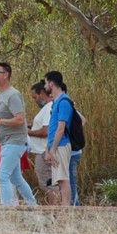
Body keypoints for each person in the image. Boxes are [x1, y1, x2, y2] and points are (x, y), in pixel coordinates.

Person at [0, 63, 37, 206]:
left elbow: (19, 119)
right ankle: (33, 206)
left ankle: (7, 210)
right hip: (6, 142)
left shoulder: (13, 95)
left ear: (6, 75)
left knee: (2, 175)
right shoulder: (1, 95)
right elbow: (6, 116)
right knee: (16, 179)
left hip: (15, 141)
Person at [44, 71, 73, 206]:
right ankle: (64, 209)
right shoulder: (56, 102)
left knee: (63, 179)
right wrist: (48, 149)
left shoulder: (64, 101)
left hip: (61, 145)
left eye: (45, 83)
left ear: (51, 83)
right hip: (56, 146)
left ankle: (66, 210)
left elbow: (61, 128)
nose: (44, 86)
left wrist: (53, 150)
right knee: (60, 180)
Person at [28, 80, 57, 204]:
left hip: (44, 151)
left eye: (35, 97)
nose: (35, 100)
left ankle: (56, 212)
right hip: (43, 151)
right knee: (48, 183)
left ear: (41, 93)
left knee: (48, 184)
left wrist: (26, 131)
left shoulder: (49, 107)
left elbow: (45, 131)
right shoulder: (48, 108)